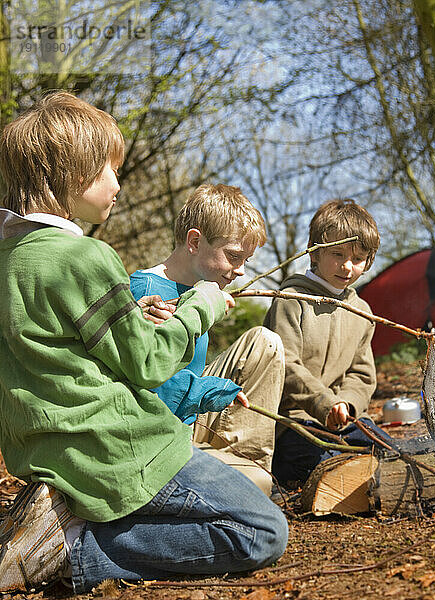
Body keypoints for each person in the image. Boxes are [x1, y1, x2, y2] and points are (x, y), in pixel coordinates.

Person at [0, 92, 288, 594]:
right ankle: (72, 550)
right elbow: (149, 365)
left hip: (47, 453)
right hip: (119, 450)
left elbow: (55, 352)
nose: (118, 183)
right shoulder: (83, 257)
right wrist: (202, 305)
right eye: (109, 170)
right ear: (72, 175)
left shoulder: (9, 259)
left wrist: (133, 318)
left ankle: (67, 525)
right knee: (263, 531)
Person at [129, 184, 285, 496]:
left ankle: (245, 462)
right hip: (157, 429)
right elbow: (151, 391)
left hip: (190, 411)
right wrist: (218, 390)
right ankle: (235, 482)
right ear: (195, 241)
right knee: (253, 485)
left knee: (264, 341)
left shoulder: (203, 289)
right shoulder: (148, 292)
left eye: (246, 260)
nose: (240, 271)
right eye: (233, 256)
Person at [264, 199, 387, 486]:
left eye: (357, 259)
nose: (347, 266)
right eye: (337, 254)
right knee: (320, 467)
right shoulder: (292, 300)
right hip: (296, 422)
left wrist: (346, 405)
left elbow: (362, 374)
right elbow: (286, 365)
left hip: (346, 421)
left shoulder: (361, 311)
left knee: (389, 452)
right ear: (315, 253)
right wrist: (324, 403)